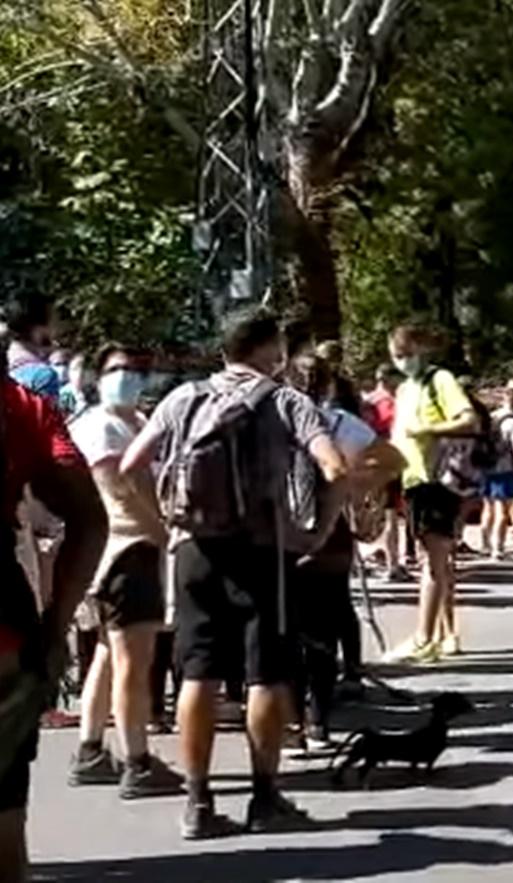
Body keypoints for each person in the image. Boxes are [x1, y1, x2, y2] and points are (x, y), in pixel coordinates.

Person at [121, 306, 346, 838]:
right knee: (266, 672)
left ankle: (198, 802)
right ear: (273, 351)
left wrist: (162, 525)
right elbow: (336, 467)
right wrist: (316, 530)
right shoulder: (289, 401)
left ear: (223, 349)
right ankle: (265, 797)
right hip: (265, 551)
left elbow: (131, 466)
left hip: (195, 550)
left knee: (198, 672)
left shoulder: (183, 398)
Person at [0, 372, 107, 880]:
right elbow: (89, 519)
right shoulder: (19, 406)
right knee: (3, 826)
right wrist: (57, 622)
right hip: (6, 637)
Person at [66, 344, 182, 799]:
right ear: (98, 376)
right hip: (126, 550)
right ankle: (137, 760)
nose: (130, 377)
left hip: (129, 552)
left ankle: (91, 749)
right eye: (118, 369)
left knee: (108, 656)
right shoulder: (100, 426)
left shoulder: (134, 422)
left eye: (137, 369)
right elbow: (119, 486)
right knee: (134, 660)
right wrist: (160, 530)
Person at [285, 353, 403, 748]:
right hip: (330, 535)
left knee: (287, 630)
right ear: (328, 385)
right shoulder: (341, 423)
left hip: (280, 535)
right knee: (324, 626)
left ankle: (292, 720)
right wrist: (355, 487)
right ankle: (318, 718)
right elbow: (393, 460)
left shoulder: (273, 417)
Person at [379, 323, 477, 664]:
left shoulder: (440, 380)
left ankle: (424, 638)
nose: (401, 361)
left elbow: (469, 420)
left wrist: (429, 429)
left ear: (421, 349)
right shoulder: (405, 389)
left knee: (433, 561)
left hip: (437, 480)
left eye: (406, 354)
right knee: (433, 559)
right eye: (396, 356)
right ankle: (445, 632)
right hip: (412, 479)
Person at [363, 365, 408, 581]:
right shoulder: (393, 402)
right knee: (390, 514)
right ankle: (393, 564)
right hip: (390, 460)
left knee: (376, 512)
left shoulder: (368, 402)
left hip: (375, 460)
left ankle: (374, 559)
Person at [481, 382, 513, 560]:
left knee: (488, 507)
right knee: (502, 511)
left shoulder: (493, 418)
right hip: (505, 468)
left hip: (487, 467)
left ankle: (485, 544)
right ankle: (498, 548)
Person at [5, 296, 60, 401]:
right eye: (53, 319)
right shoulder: (44, 376)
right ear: (38, 329)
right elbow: (49, 417)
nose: (56, 326)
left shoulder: (6, 368)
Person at [58, 353, 94, 419]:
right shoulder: (66, 394)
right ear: (69, 373)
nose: (80, 373)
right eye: (75, 369)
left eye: (84, 369)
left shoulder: (100, 392)